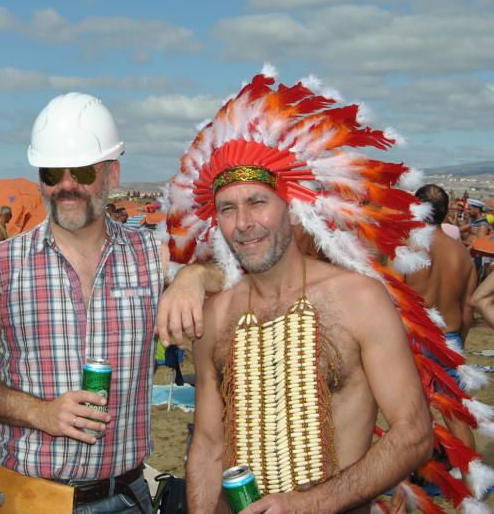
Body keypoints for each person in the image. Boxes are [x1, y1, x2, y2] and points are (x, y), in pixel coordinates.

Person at [166, 72, 472, 512]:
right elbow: (209, 446)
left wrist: (310, 504)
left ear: (292, 209)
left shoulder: (358, 299)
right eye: (228, 209)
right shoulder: (215, 317)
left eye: (257, 202)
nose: (243, 223)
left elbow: (413, 433)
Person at [0, 93, 163, 512]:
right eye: (53, 172)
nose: (67, 185)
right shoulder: (4, 265)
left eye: (83, 171)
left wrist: (195, 278)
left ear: (112, 174)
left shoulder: (153, 256)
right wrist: (38, 413)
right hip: (27, 498)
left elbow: (228, 270)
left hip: (123, 497)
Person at [405, 184, 478, 450]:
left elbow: (390, 298)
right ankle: (471, 478)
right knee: (456, 414)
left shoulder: (407, 247)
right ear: (446, 212)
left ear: (416, 208)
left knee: (410, 413)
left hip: (413, 338)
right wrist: (460, 341)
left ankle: (413, 479)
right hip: (450, 338)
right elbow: (468, 307)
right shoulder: (462, 254)